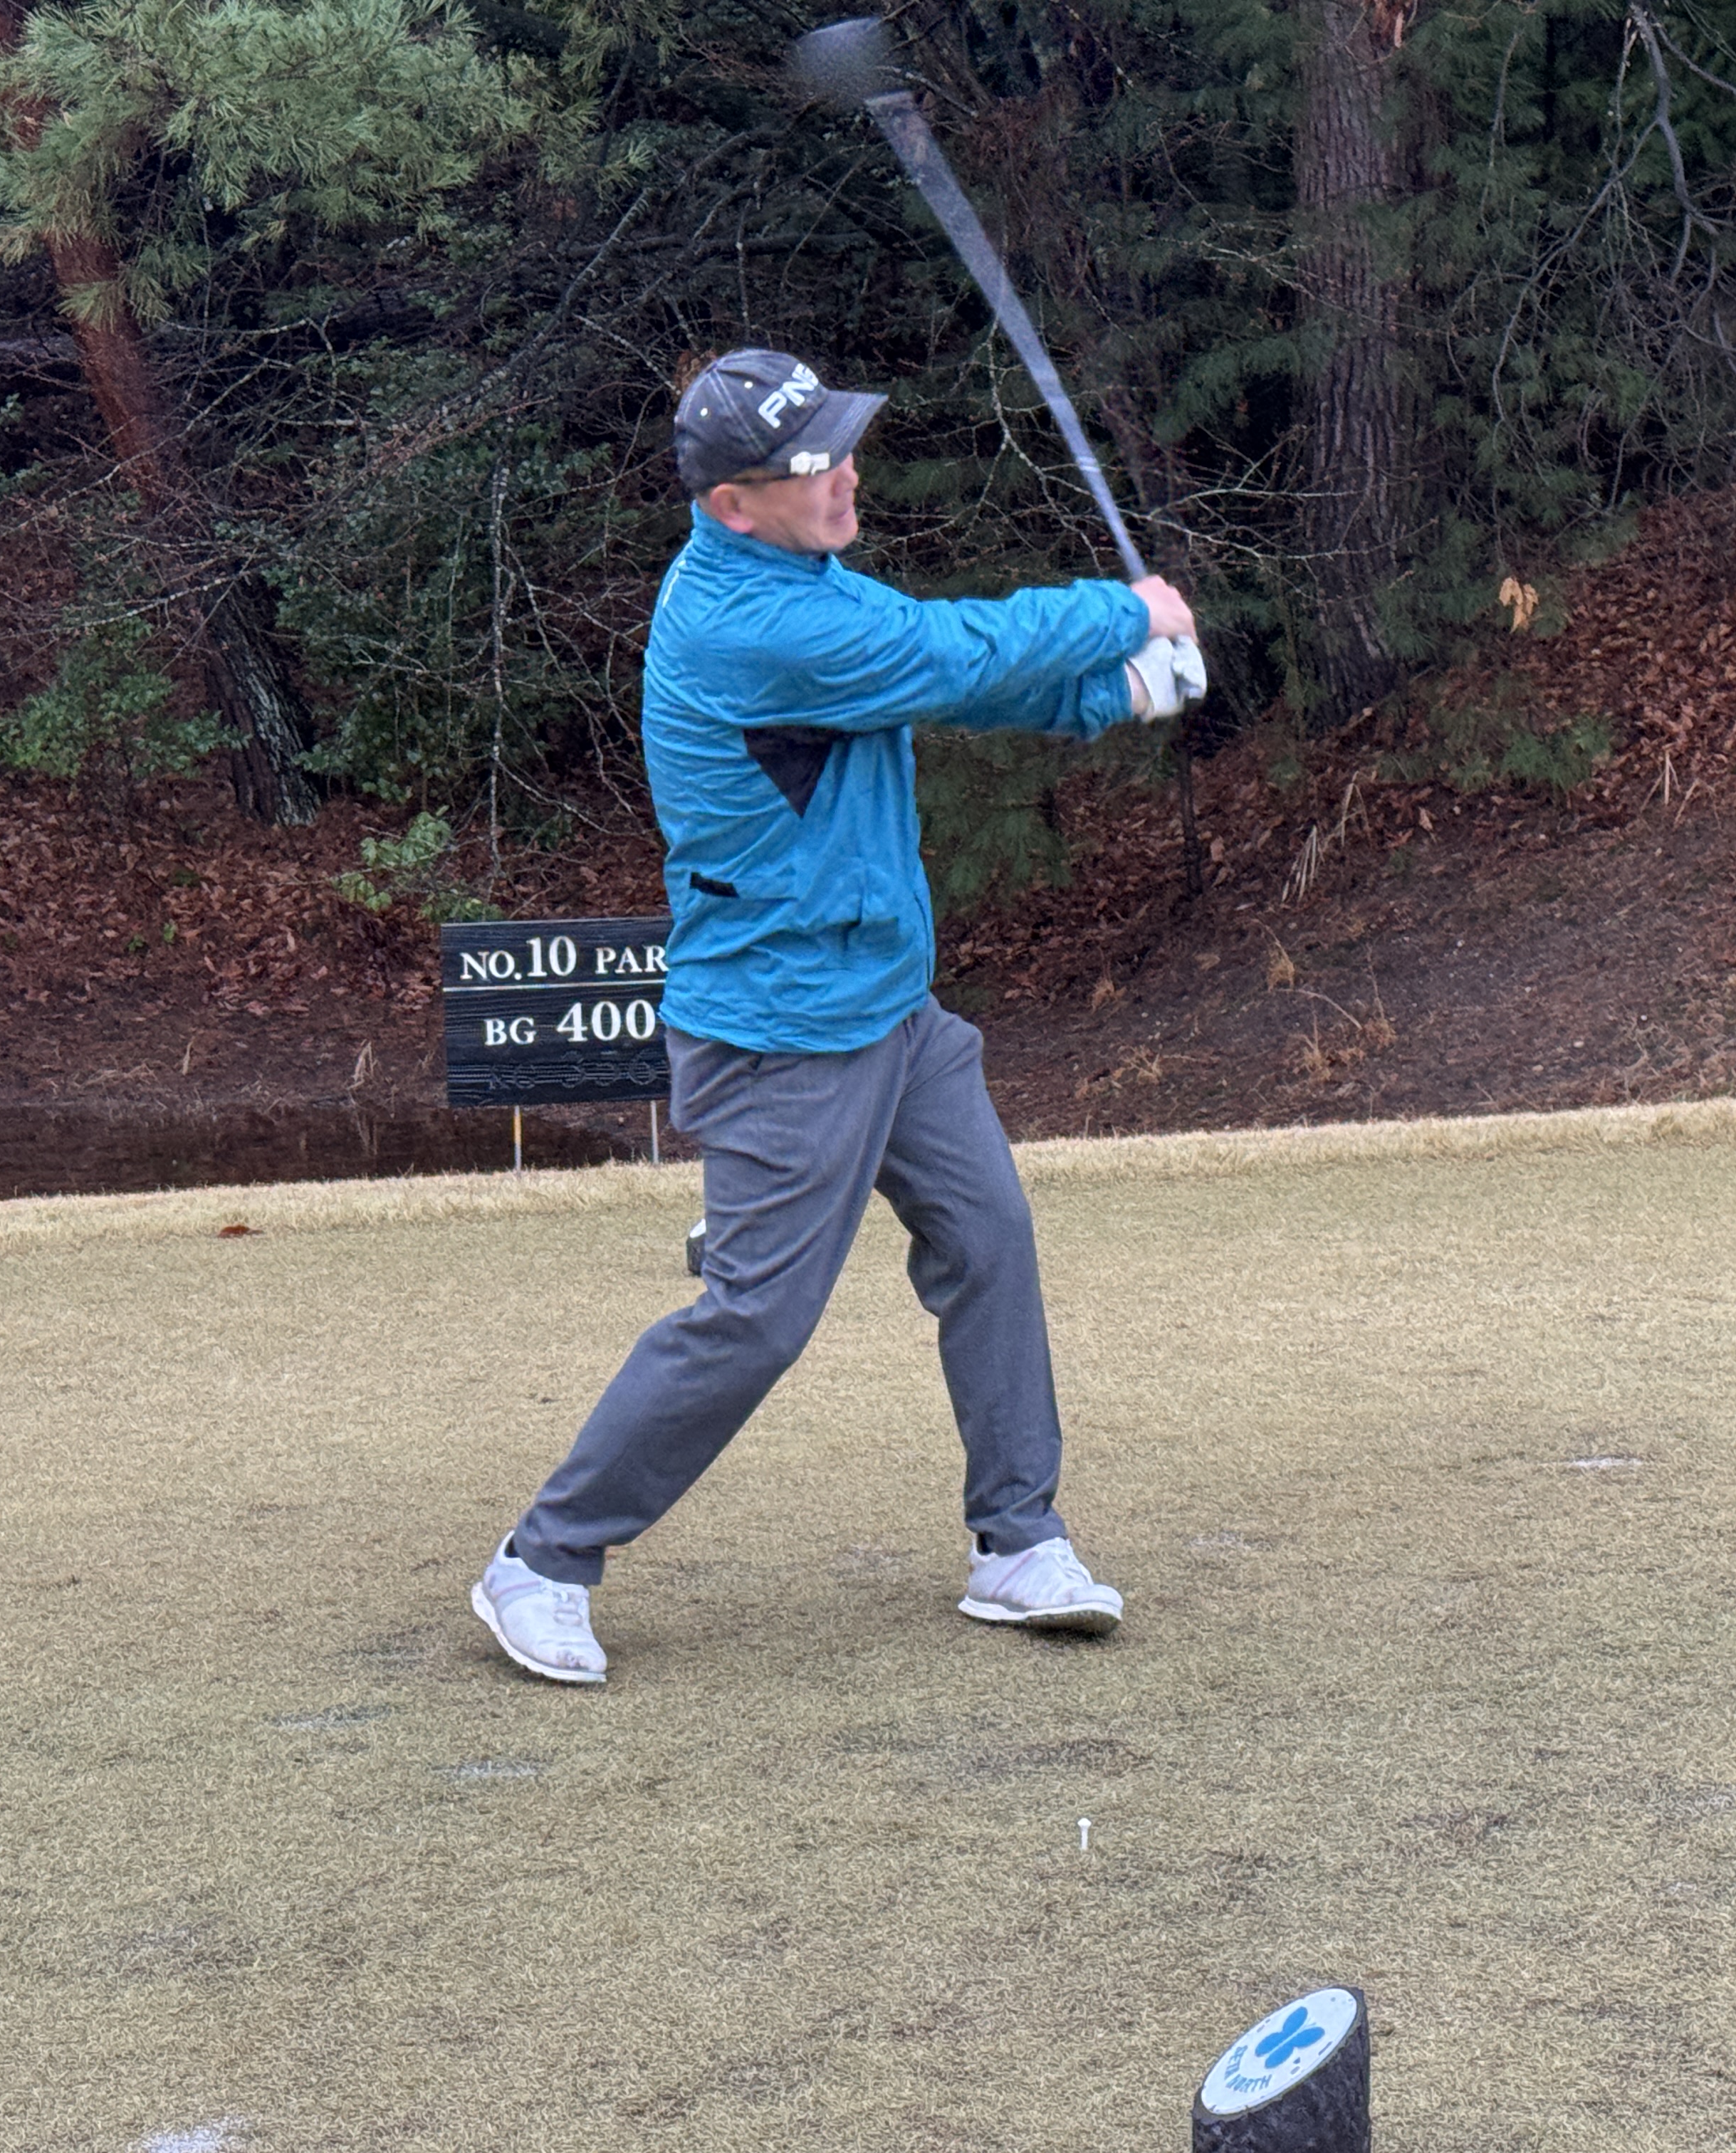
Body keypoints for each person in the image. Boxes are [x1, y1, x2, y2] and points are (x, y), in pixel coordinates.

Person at [470, 347, 1201, 1685]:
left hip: (888, 1009)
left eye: (842, 447)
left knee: (989, 1237)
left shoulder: (805, 578)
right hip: (781, 1034)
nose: (845, 477)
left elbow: (941, 681)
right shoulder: (752, 624)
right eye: (809, 467)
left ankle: (1017, 1543)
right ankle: (543, 1560)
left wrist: (1119, 690)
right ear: (731, 505)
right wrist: (1125, 614)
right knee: (757, 1318)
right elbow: (942, 651)